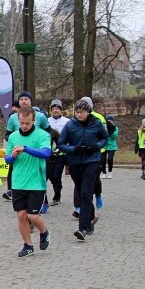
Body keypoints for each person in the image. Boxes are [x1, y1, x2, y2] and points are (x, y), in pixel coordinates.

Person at [5, 107, 52, 257]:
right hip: (18, 182)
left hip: (36, 182)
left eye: (27, 123)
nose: (24, 126)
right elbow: (7, 159)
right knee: (21, 215)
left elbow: (46, 153)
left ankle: (44, 232)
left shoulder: (42, 135)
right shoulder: (13, 137)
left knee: (32, 216)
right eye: (21, 123)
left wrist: (26, 149)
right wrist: (12, 156)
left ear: (34, 121)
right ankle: (28, 245)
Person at [58, 99, 107, 240]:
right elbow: (61, 144)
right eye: (77, 112)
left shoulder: (96, 123)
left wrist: (96, 146)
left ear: (88, 111)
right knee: (81, 191)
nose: (79, 115)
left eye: (82, 112)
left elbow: (105, 138)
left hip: (92, 161)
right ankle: (91, 217)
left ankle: (82, 228)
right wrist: (74, 149)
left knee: (86, 193)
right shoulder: (70, 125)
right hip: (75, 162)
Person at [4, 91, 51, 200]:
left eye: (26, 99)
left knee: (38, 178)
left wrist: (45, 142)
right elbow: (7, 134)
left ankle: (44, 200)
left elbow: (49, 131)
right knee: (21, 214)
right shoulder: (13, 118)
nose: (23, 101)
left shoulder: (40, 116)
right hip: (18, 153)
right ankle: (11, 190)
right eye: (21, 99)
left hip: (36, 151)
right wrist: (14, 143)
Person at [46, 99, 69, 205]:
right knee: (50, 175)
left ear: (61, 110)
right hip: (49, 154)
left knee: (56, 175)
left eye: (57, 109)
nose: (55, 111)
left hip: (61, 153)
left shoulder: (67, 122)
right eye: (53, 109)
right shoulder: (47, 121)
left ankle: (57, 196)